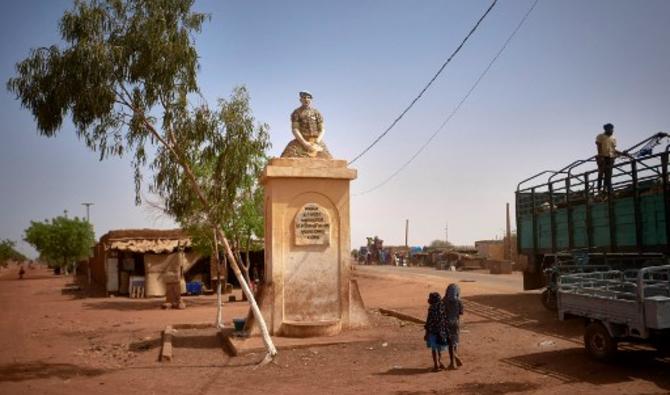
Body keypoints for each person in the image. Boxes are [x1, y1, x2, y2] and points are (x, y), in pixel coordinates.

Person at [281, 91, 333, 159]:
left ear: (311, 100)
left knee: (328, 159)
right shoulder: (297, 112)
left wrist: (317, 141)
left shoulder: (316, 112)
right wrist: (304, 143)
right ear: (300, 100)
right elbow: (295, 129)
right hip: (300, 141)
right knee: (285, 159)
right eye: (304, 97)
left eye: (308, 98)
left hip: (316, 141)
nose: (306, 99)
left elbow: (322, 129)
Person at [424, 292, 448, 371]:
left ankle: (436, 365)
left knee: (434, 349)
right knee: (439, 348)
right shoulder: (442, 307)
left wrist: (426, 332)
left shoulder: (431, 308)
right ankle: (440, 362)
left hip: (433, 331)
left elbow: (429, 321)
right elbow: (445, 319)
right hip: (441, 331)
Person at [443, 283, 464, 369]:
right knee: (455, 341)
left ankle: (452, 362)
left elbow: (442, 312)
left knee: (449, 343)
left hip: (446, 323)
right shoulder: (459, 301)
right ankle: (455, 355)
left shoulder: (444, 300)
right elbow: (461, 312)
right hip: (455, 323)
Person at [595, 123, 620, 194]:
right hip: (603, 157)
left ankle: (607, 189)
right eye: (610, 129)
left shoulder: (613, 138)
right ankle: (599, 189)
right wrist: (601, 156)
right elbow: (599, 146)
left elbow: (614, 149)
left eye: (612, 129)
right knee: (601, 173)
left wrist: (622, 153)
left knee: (609, 175)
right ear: (606, 129)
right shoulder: (600, 136)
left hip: (610, 157)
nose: (612, 130)